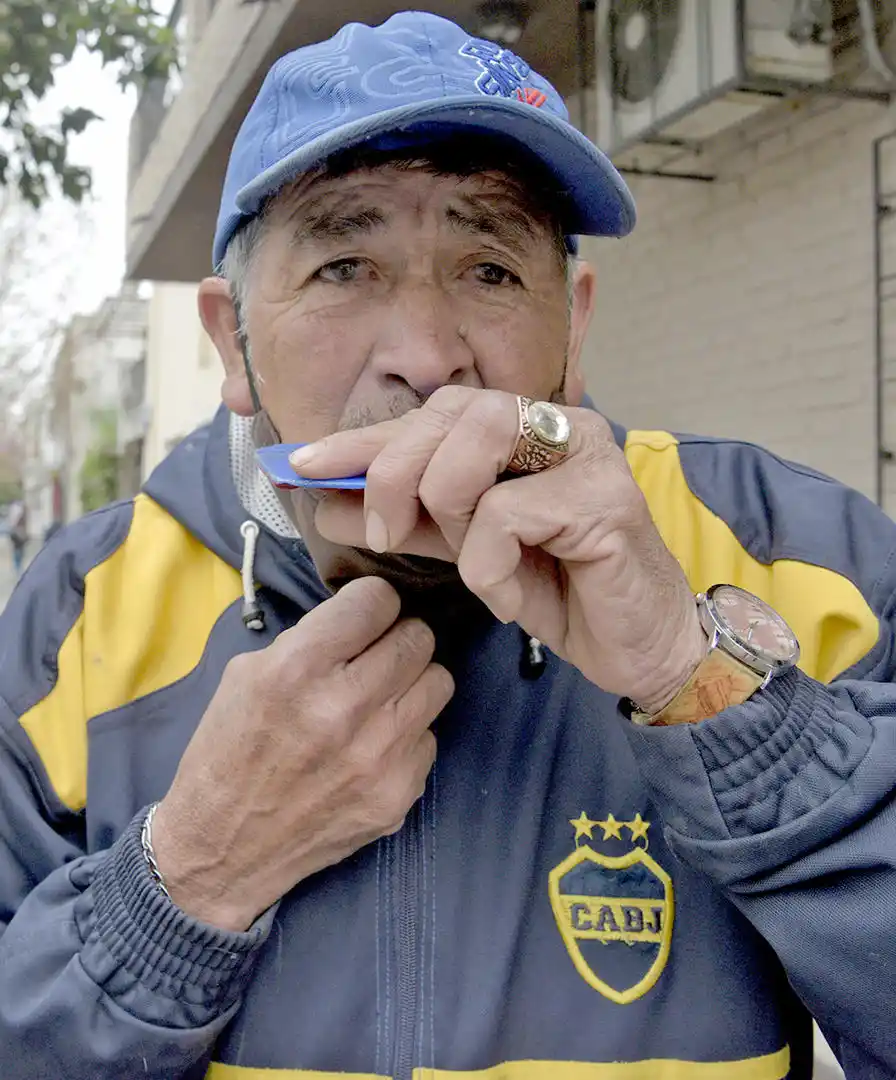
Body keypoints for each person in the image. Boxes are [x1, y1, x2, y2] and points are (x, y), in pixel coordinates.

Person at [0, 12, 893, 1079]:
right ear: (228, 344)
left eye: (490, 270)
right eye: (342, 264)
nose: (427, 360)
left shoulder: (801, 563)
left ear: (574, 329)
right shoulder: (77, 619)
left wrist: (706, 688)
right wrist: (183, 882)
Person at [6, 499, 27, 576]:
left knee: (19, 556)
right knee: (18, 556)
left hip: (19, 545)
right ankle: (17, 568)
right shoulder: (16, 529)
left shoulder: (19, 529)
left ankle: (18, 568)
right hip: (18, 545)